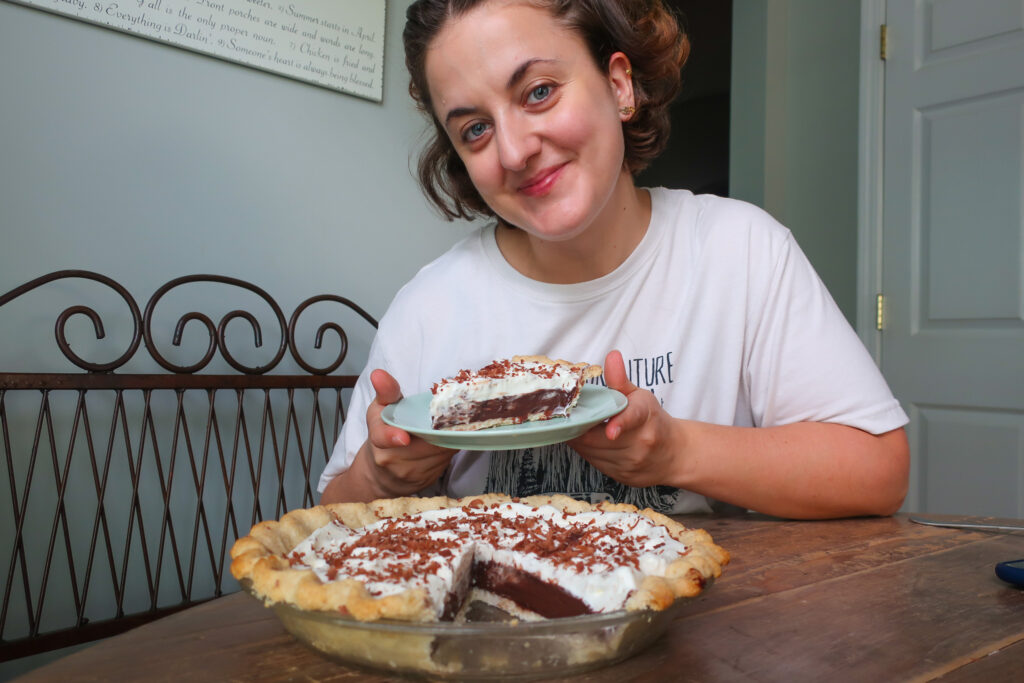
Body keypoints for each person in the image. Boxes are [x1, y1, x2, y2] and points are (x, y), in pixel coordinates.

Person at [318, 0, 910, 519]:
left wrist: (677, 451)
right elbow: (332, 517)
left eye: (539, 92)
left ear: (619, 86)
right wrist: (379, 473)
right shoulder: (429, 307)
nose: (516, 150)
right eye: (475, 129)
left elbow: (879, 469)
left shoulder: (741, 250)